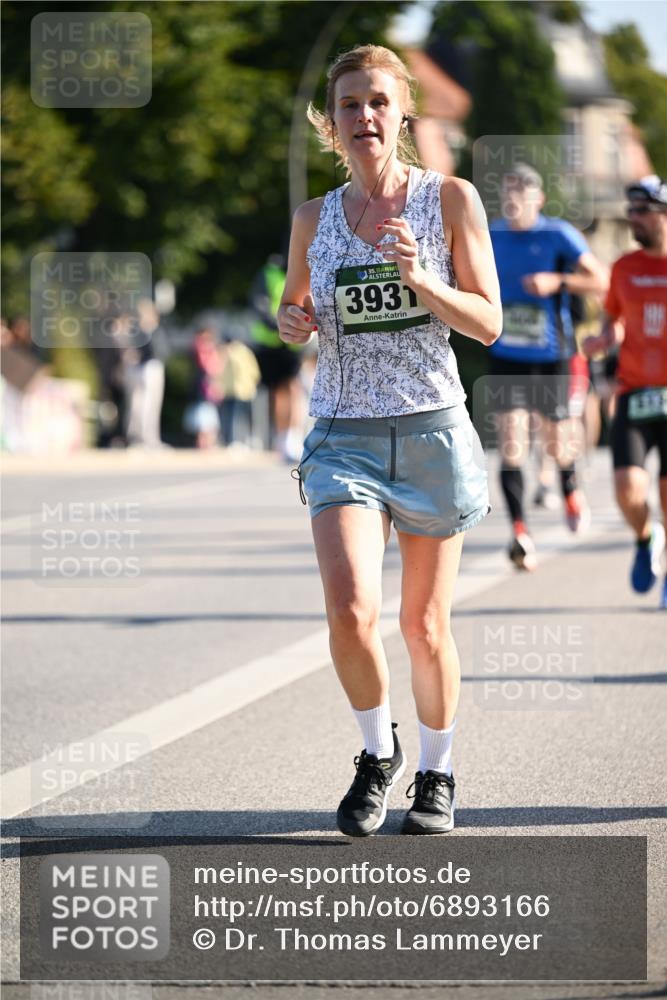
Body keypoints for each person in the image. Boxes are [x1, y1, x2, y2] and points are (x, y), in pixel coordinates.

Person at [277, 44, 502, 837]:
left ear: (401, 112)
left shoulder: (448, 200)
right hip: (343, 434)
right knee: (348, 609)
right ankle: (379, 754)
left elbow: (488, 322)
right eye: (348, 105)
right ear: (330, 124)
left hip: (433, 431)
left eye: (377, 101)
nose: (364, 116)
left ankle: (438, 772)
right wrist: (290, 320)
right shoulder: (314, 218)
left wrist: (423, 282)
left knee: (424, 627)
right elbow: (291, 310)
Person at [488, 164, 608, 570]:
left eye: (522, 191)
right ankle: (519, 531)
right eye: (508, 190)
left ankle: (570, 486)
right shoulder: (491, 234)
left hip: (551, 356)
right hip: (506, 355)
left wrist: (558, 282)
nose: (513, 198)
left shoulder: (558, 235)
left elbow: (601, 280)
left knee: (558, 443)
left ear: (538, 198)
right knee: (511, 443)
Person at [583, 175, 667, 607]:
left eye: (641, 211)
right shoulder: (624, 267)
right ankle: (646, 537)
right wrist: (603, 340)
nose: (632, 217)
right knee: (627, 490)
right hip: (635, 390)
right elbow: (614, 318)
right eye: (630, 210)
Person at [250, 254, 308, 462]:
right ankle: (283, 438)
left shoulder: (302, 265)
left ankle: (293, 436)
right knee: (278, 391)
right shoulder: (269, 273)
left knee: (293, 388)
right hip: (271, 341)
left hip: (293, 342)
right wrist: (278, 324)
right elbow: (259, 304)